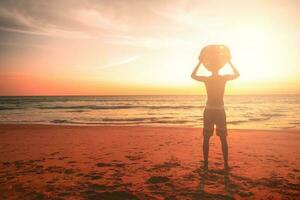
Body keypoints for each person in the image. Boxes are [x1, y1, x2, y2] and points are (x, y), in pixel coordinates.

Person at [191, 45, 240, 170]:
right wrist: (229, 61)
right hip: (219, 111)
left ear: (209, 68)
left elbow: (193, 75)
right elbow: (237, 74)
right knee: (223, 139)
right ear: (220, 66)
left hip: (209, 111)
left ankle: (206, 164)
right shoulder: (223, 78)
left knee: (207, 139)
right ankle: (225, 164)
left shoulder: (207, 79)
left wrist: (200, 62)